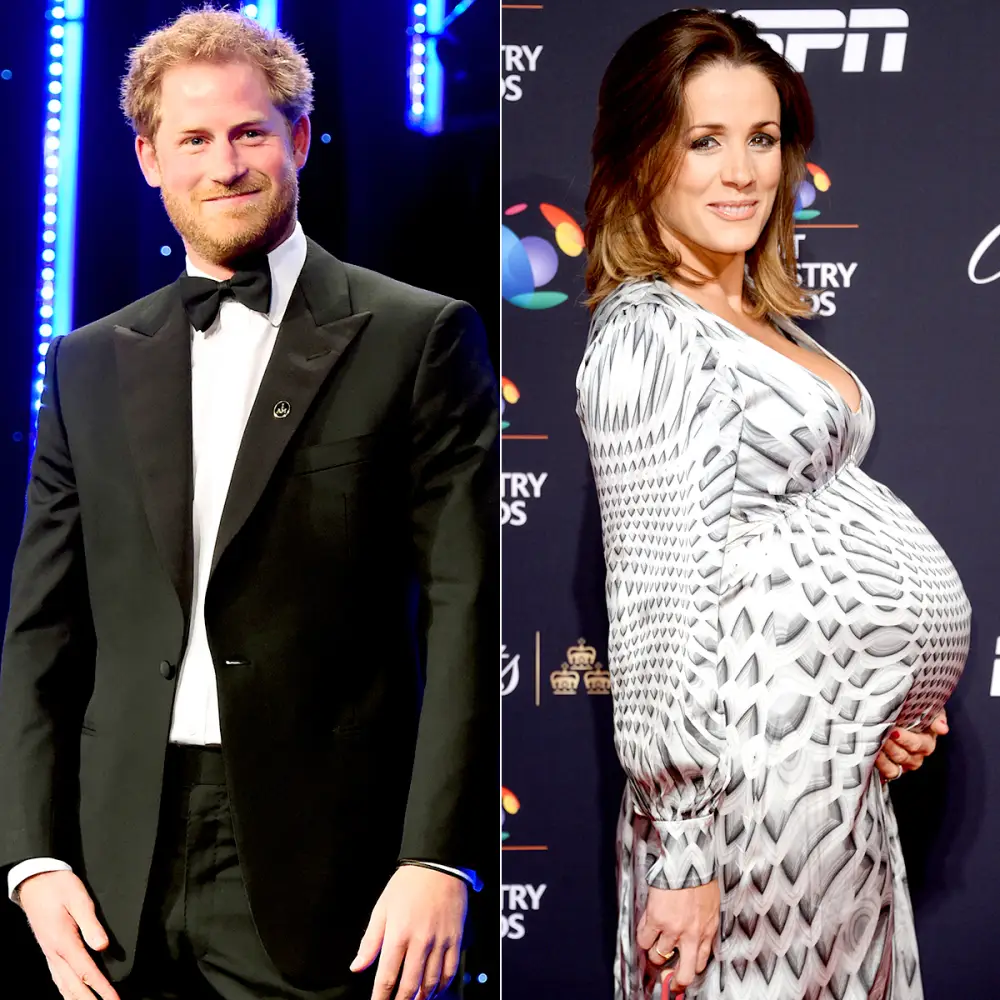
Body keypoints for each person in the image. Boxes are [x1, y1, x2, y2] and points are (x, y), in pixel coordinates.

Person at [0, 9, 497, 1000]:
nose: (224, 165)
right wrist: (33, 858)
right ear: (149, 159)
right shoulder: (86, 363)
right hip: (112, 871)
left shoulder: (417, 337)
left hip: (332, 871)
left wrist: (438, 856)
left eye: (249, 132)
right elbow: (41, 630)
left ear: (298, 139)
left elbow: (466, 610)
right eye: (193, 139)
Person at [575, 10, 968, 1000]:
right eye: (703, 141)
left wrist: (884, 703)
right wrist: (681, 852)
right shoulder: (648, 337)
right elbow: (660, 605)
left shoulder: (758, 320)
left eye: (762, 138)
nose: (743, 172)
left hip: (830, 795)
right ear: (641, 157)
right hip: (738, 821)